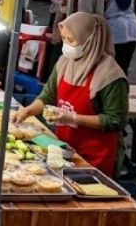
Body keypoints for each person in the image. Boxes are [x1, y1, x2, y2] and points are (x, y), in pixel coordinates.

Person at [12, 12, 129, 176]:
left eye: (71, 40)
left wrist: (72, 118)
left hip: (96, 155)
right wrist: (27, 111)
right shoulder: (65, 62)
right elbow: (47, 96)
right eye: (64, 39)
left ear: (89, 40)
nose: (66, 44)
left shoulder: (110, 76)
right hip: (65, 148)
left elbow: (115, 120)